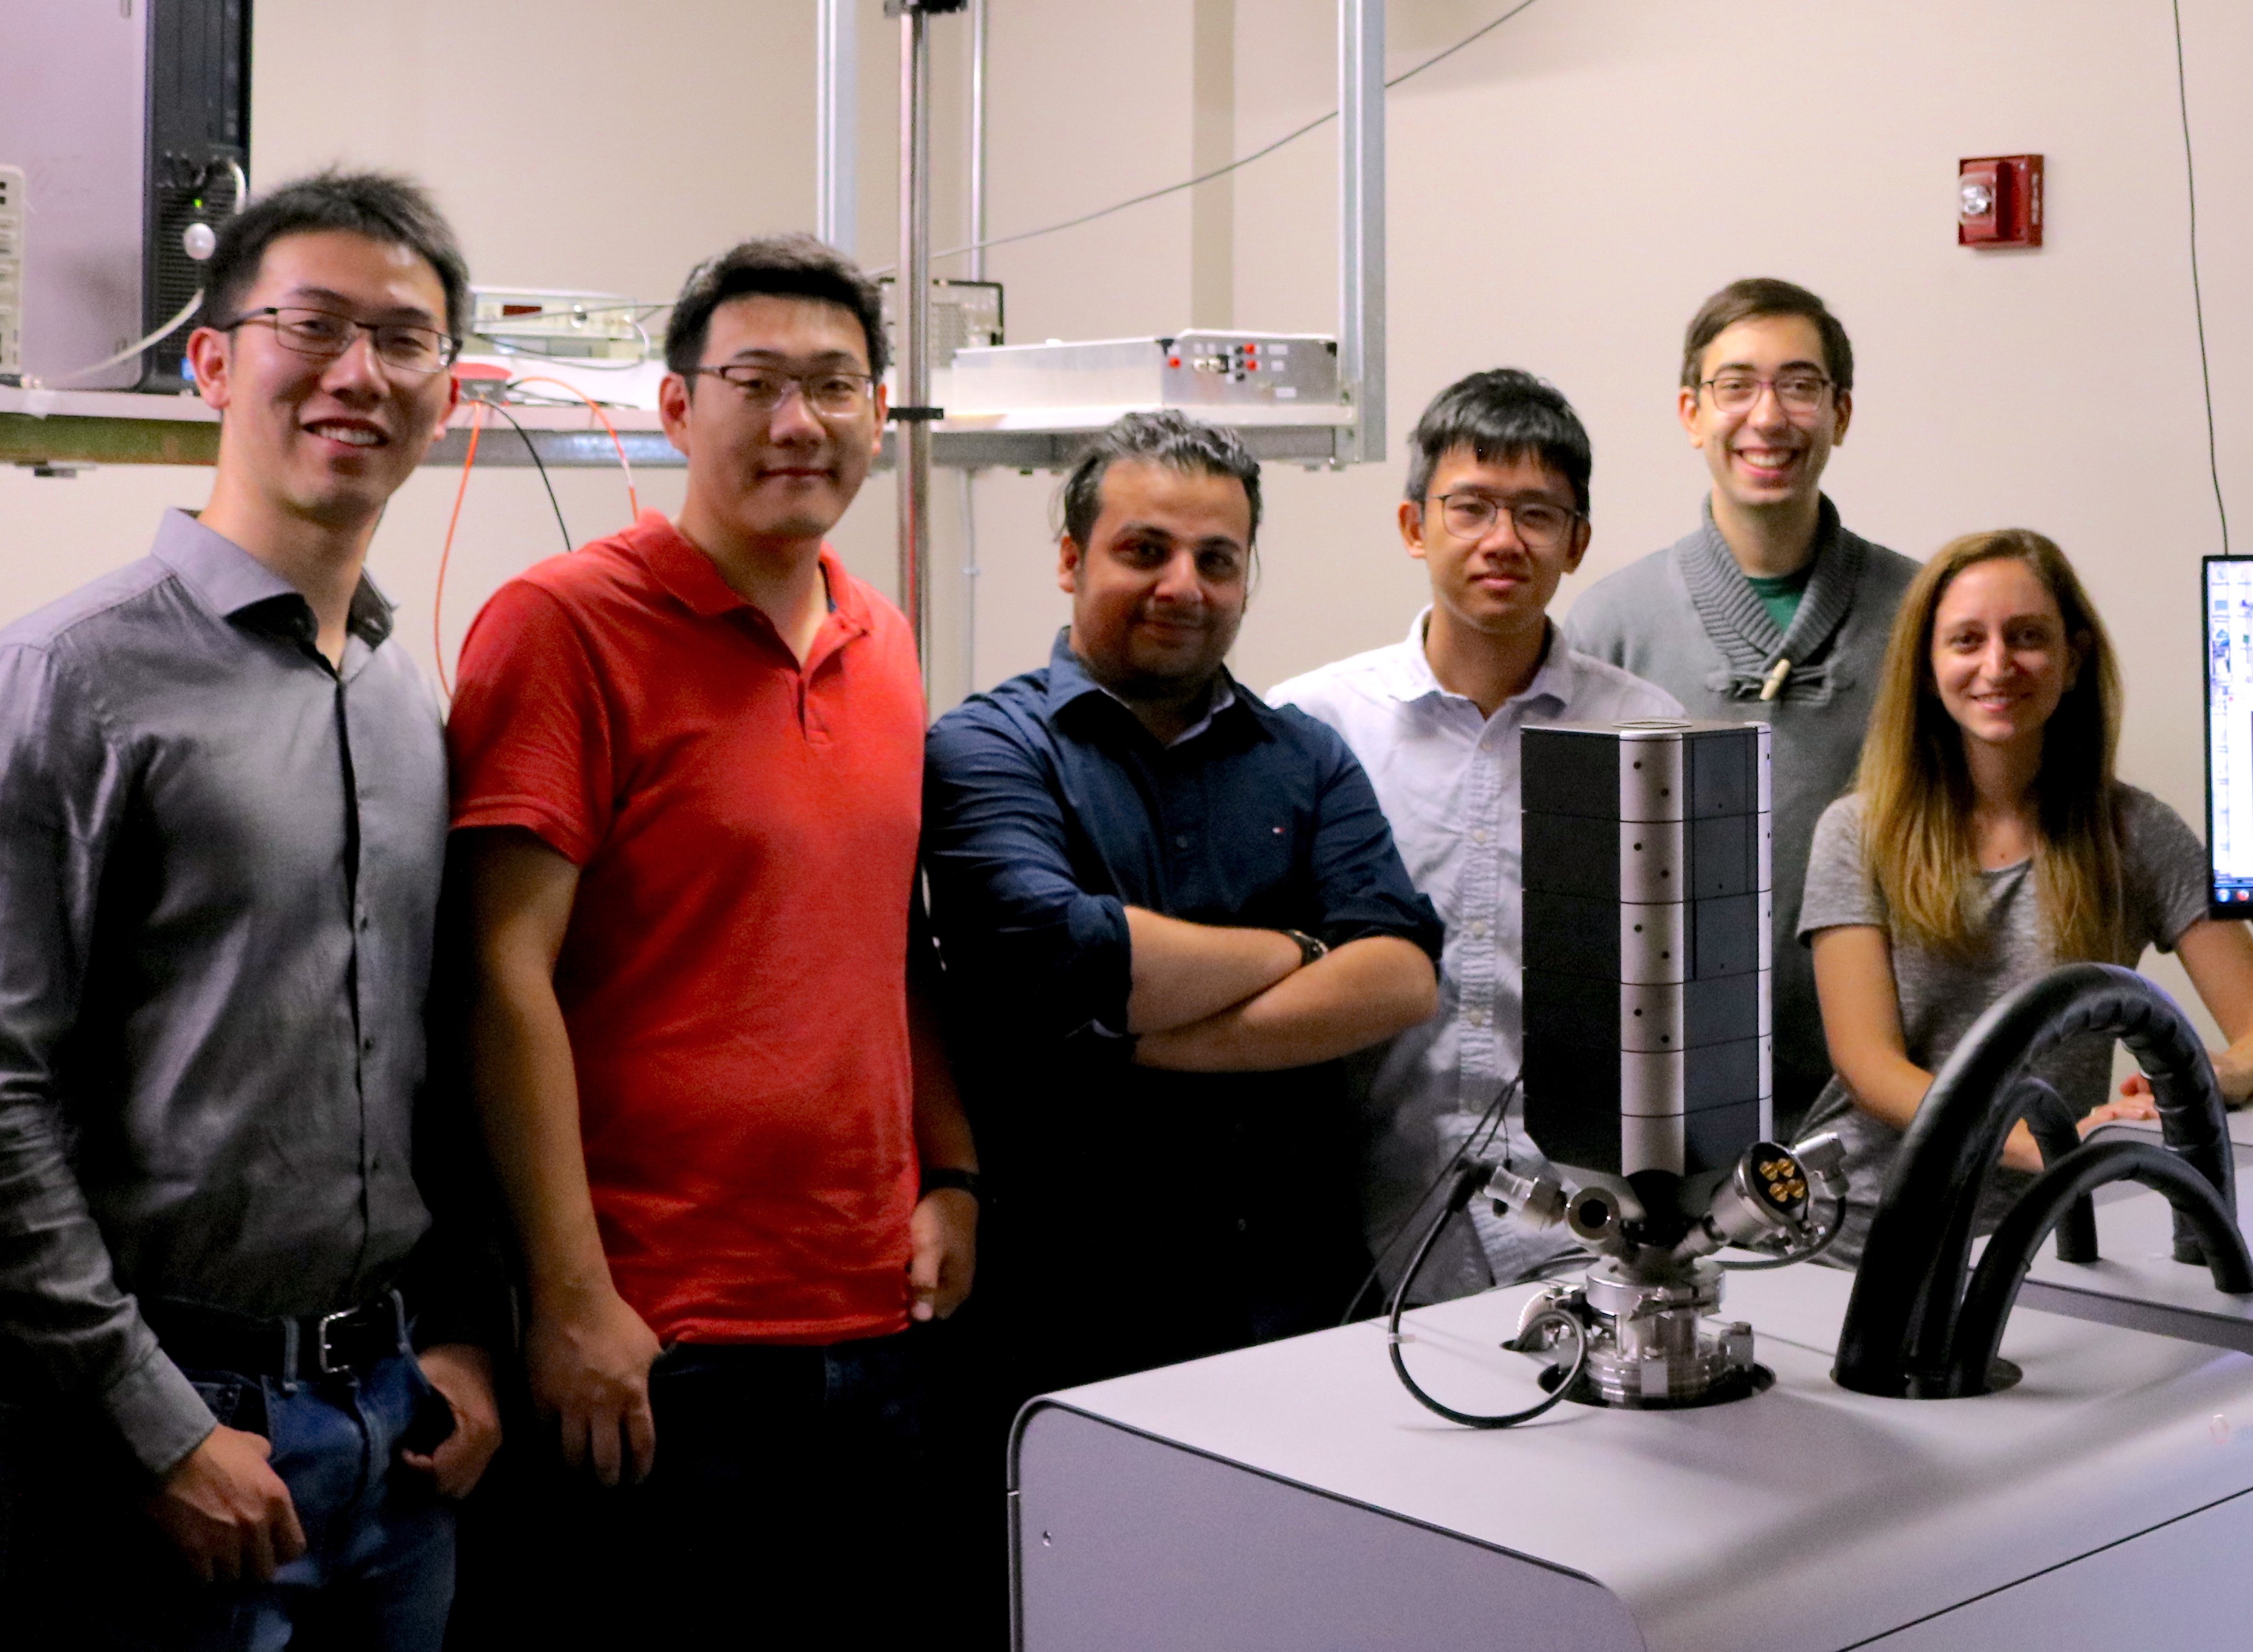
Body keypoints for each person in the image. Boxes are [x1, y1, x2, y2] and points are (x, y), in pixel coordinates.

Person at [449, 236, 978, 1648]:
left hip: (873, 1316)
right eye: (757, 382)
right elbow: (497, 974)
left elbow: (889, 940)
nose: (799, 420)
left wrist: (952, 1176)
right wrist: (571, 1298)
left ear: (879, 411)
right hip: (657, 1336)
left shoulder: (883, 639)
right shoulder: (563, 626)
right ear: (679, 408)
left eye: (834, 384)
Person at [0, 169, 505, 1648]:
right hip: (170, 1434)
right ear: (214, 362)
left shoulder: (404, 696)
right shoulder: (69, 680)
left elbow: (424, 1052)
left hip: (397, 1427)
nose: (359, 374)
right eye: (313, 326)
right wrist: (155, 1425)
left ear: (445, 392)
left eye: (402, 340)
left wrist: (465, 1334)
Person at [921, 409, 1442, 1398]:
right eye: (1144, 550)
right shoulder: (987, 747)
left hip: (1292, 1300)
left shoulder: (1305, 757)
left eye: (1216, 558)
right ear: (1071, 558)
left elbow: (1401, 977)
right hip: (1063, 1311)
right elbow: (1065, 956)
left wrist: (1138, 1039)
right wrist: (1302, 947)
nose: (1183, 585)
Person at [1272, 370, 1683, 1303]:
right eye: (1471, 507)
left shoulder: (1646, 735)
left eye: (1537, 513)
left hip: (1578, 1228)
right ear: (1414, 525)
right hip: (1345, 1219)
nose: (1503, 539)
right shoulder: (1312, 725)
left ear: (1577, 542)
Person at [1801, 530, 2253, 1259]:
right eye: (1967, 640)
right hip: (1861, 1230)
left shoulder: (2137, 833)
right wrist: (2040, 1142)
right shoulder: (1856, 831)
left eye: (2028, 637)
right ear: (1927, 668)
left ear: (2073, 659)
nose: (1997, 664)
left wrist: (2195, 1081)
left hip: (2042, 1233)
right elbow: (1868, 1065)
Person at [1564, 278, 1921, 1136]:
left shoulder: (1922, 617)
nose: (1768, 416)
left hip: (1885, 1096)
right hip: (1665, 1100)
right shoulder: (1611, 625)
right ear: (1692, 413)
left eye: (1799, 386)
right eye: (1736, 386)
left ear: (1840, 413)